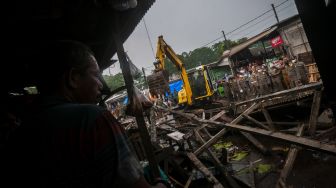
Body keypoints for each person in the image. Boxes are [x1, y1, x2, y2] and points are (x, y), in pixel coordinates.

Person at [2, 40, 167, 188]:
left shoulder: (18, 133)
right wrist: (161, 184)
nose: (100, 85)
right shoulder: (93, 119)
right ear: (73, 78)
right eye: (95, 75)